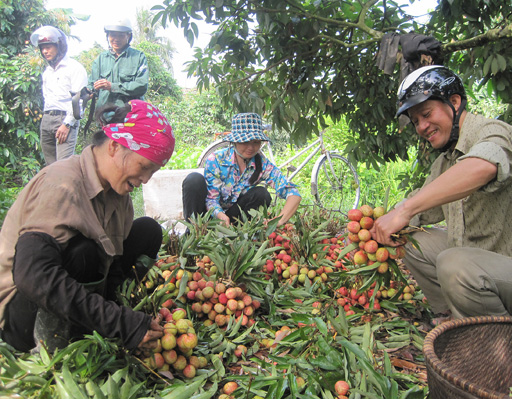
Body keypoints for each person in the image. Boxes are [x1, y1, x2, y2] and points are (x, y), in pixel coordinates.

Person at [0, 99, 175, 353]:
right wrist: (119, 323)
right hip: (25, 315)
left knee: (148, 231)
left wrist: (120, 313)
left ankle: (96, 320)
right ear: (115, 146)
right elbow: (32, 275)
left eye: (153, 172)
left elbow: (113, 260)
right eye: (144, 167)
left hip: (76, 290)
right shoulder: (61, 186)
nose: (146, 179)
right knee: (85, 252)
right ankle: (59, 344)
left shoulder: (119, 197)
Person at [370, 65, 512, 324]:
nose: (422, 127)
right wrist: (374, 228)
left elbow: (482, 165)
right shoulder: (446, 161)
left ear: (454, 102)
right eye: (415, 122)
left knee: (454, 264)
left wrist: (404, 211)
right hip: (481, 267)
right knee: (409, 240)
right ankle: (450, 319)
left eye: (426, 114)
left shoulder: (494, 131)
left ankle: (503, 340)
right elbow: (419, 207)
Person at [183, 113, 301, 227]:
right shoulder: (216, 160)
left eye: (256, 142)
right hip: (209, 215)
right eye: (245, 142)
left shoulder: (263, 165)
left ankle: (240, 234)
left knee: (261, 194)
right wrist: (221, 216)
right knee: (193, 180)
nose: (251, 148)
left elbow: (293, 194)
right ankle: (194, 231)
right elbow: (211, 200)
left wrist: (279, 221)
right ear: (235, 141)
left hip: (234, 217)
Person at [30, 26, 88, 165]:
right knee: (50, 167)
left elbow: (80, 100)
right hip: (47, 118)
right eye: (43, 48)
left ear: (59, 46)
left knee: (63, 166)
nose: (45, 51)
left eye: (49, 47)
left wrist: (67, 124)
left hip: (65, 119)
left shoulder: (74, 68)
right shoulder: (47, 72)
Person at [87, 18, 149, 110]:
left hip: (130, 115)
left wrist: (112, 87)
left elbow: (141, 86)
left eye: (121, 35)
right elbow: (91, 85)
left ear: (128, 36)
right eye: (113, 35)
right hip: (104, 116)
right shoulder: (101, 58)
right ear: (108, 35)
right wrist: (88, 92)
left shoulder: (138, 57)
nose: (116, 39)